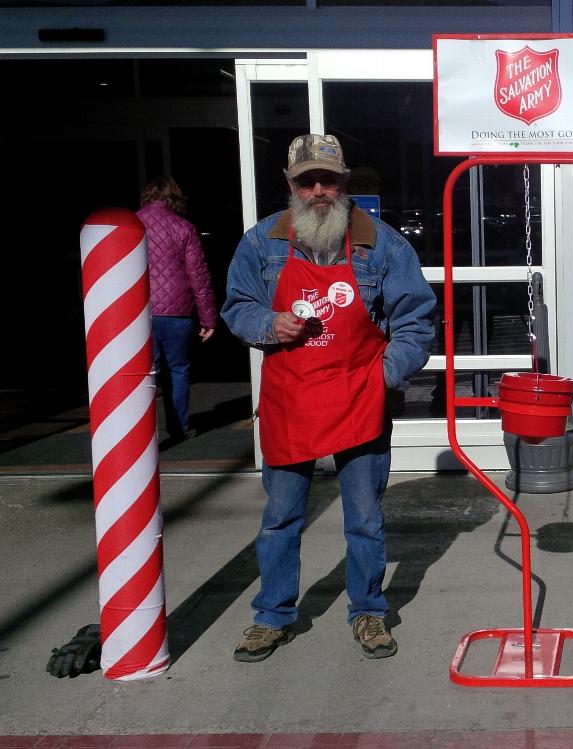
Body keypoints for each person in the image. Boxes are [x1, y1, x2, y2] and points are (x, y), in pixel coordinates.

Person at [222, 134, 436, 662]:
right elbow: (237, 306)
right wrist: (269, 323)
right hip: (290, 400)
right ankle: (272, 616)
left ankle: (368, 611)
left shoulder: (383, 244)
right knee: (280, 517)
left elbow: (417, 321)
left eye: (329, 180)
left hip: (359, 398)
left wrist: (382, 374)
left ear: (344, 183)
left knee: (364, 517)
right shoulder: (259, 243)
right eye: (306, 180)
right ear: (290, 183)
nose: (319, 190)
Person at [137, 177, 217, 440]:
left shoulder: (131, 225)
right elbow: (199, 277)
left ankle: (140, 433)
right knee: (179, 369)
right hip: (178, 311)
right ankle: (179, 427)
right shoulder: (184, 228)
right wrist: (208, 319)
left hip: (140, 311)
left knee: (145, 373)